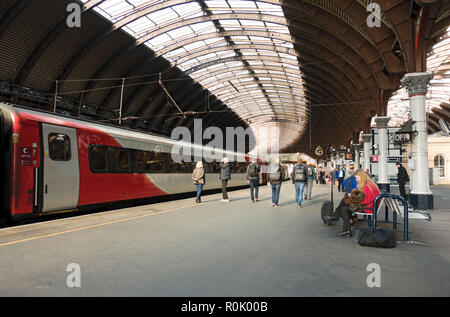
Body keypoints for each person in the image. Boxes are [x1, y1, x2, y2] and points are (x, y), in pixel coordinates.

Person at [324, 169, 380, 237]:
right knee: (344, 204)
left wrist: (352, 198)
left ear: (362, 177)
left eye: (357, 178)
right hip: (368, 206)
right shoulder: (369, 184)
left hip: (368, 208)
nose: (356, 180)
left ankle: (337, 219)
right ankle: (342, 225)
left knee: (344, 204)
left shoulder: (368, 186)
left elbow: (365, 200)